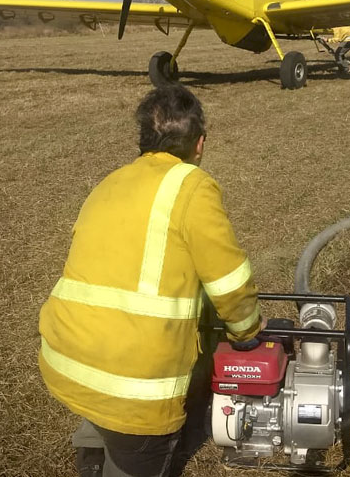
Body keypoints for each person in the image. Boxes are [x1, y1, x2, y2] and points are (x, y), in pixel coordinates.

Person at [38, 84, 263, 477]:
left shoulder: (109, 183)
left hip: (65, 359)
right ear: (200, 145)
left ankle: (97, 447)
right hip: (134, 387)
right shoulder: (193, 187)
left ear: (143, 141)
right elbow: (229, 283)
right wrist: (247, 334)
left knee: (106, 421)